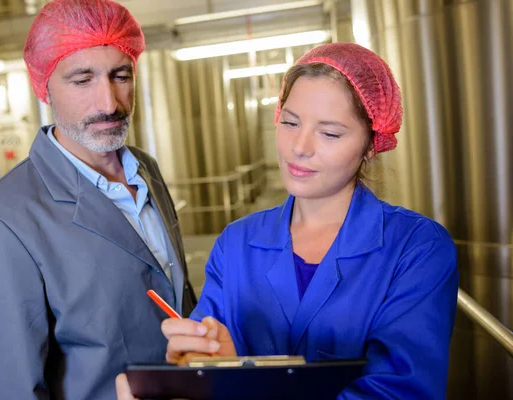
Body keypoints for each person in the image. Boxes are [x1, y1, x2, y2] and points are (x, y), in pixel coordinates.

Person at [116, 42, 459, 400]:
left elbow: (399, 392)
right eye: (291, 123)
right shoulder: (237, 243)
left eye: (329, 133)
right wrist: (198, 362)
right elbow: (208, 364)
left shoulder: (416, 249)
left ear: (372, 143)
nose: (299, 147)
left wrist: (246, 384)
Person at [0, 1, 196, 398]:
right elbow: (9, 390)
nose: (108, 103)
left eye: (120, 75)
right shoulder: (2, 218)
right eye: (82, 80)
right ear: (44, 86)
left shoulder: (146, 169)